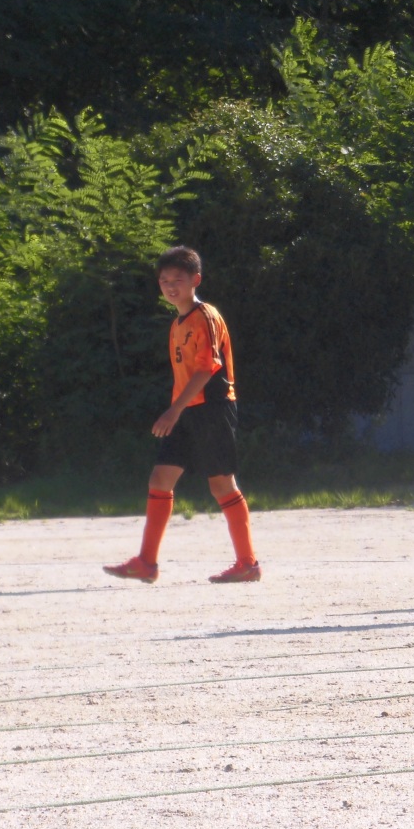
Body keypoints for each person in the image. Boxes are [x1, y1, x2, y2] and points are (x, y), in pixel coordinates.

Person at [103, 246, 261, 584]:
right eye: (164, 280)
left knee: (221, 484)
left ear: (195, 280)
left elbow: (207, 369)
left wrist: (173, 411)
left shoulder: (205, 316)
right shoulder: (177, 323)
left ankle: (248, 563)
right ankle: (146, 562)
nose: (170, 286)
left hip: (212, 407)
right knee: (160, 480)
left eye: (178, 279)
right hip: (186, 409)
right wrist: (178, 409)